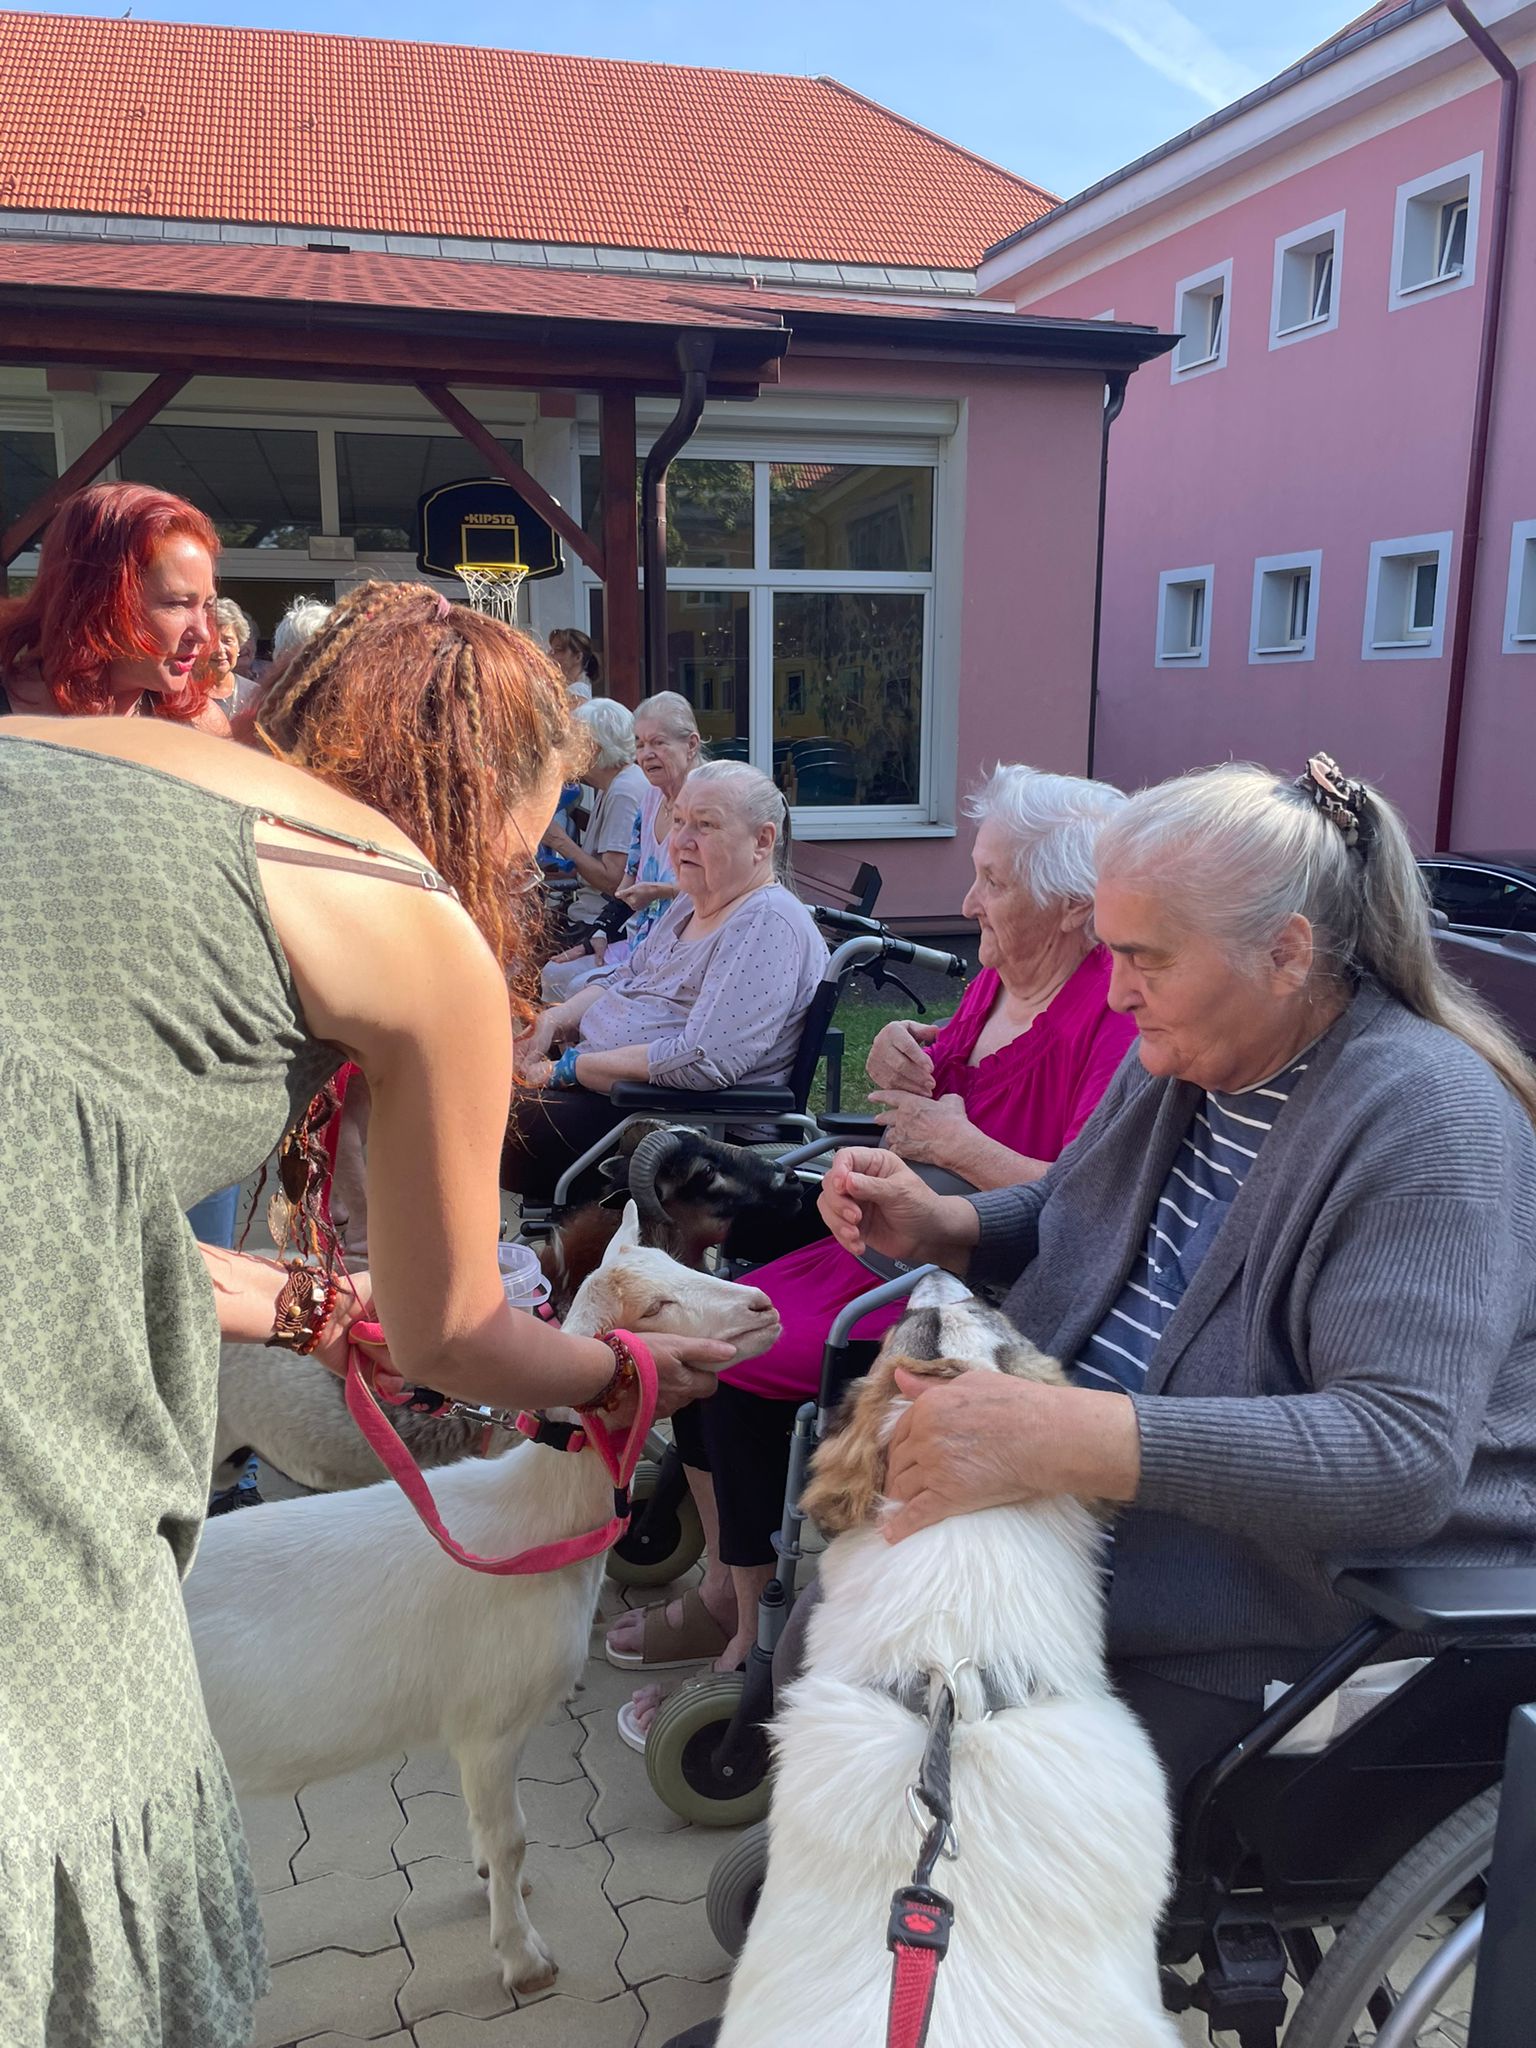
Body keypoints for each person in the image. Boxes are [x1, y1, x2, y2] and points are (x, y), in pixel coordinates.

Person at [0, 594, 737, 2047]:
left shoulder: (80, 757)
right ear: (484, 789)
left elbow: (79, 1211)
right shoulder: (407, 912)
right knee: (92, 1852)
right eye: (541, 823)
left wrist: (313, 1302)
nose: (529, 867)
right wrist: (622, 1369)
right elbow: (458, 1338)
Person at [817, 753, 1536, 1808]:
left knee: (913, 1767)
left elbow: (1397, 1454)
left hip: (1272, 1605)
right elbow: (1078, 1212)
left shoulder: (1432, 1122)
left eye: (1143, 957)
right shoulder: (1192, 1055)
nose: (1116, 992)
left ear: (1286, 953)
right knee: (844, 1655)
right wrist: (946, 1225)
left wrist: (1063, 1436)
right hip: (1097, 1523)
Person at [609, 765, 1138, 1740]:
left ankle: (746, 1632)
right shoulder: (1004, 975)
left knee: (733, 1349)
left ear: (1073, 906)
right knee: (696, 1276)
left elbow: (1089, 1200)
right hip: (886, 1237)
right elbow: (943, 1084)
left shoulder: (1110, 1013)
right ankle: (726, 1583)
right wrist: (903, 1043)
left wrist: (953, 1143)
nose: (968, 902)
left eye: (993, 882)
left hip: (964, 1282)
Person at [505, 760, 827, 1202]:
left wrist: (568, 1069)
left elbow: (703, 1061)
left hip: (683, 1129)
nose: (681, 841)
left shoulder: (766, 923)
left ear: (762, 841)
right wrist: (553, 1022)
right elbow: (626, 976)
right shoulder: (693, 901)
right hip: (626, 1102)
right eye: (678, 821)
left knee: (486, 1121)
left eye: (705, 825)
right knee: (479, 1093)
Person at [0, 480, 224, 727]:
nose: (203, 633)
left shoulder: (201, 724)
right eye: (176, 604)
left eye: (206, 605)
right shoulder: (11, 721)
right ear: (95, 602)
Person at [541, 689, 700, 1002]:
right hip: (639, 942)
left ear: (691, 745)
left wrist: (661, 891)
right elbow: (626, 887)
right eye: (640, 744)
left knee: (574, 989)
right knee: (556, 974)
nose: (646, 754)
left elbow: (722, 890)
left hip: (684, 952)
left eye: (658, 742)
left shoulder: (707, 803)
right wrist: (600, 932)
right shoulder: (651, 799)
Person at [538, 697, 648, 934]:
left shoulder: (624, 791)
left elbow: (614, 883)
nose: (567, 752)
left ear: (593, 749)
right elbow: (598, 867)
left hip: (599, 928)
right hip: (588, 918)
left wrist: (559, 841)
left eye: (574, 743)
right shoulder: (612, 785)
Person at [206, 597, 253, 714]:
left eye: (227, 641)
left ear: (239, 646)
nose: (219, 649)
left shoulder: (255, 695)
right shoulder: (181, 694)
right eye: (210, 641)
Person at [548, 624, 600, 702]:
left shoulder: (578, 692)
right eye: (551, 650)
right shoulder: (567, 689)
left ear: (578, 657)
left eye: (558, 650)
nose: (550, 654)